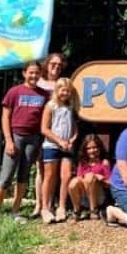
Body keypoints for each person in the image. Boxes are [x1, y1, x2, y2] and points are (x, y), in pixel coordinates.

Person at [0, 60, 48, 232]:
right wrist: (9, 140)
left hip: (33, 140)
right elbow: (5, 118)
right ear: (24, 73)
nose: (34, 76)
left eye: (37, 73)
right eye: (31, 72)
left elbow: (45, 120)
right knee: (5, 179)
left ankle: (15, 211)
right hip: (16, 138)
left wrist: (40, 142)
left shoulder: (44, 95)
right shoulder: (14, 92)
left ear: (40, 74)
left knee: (23, 178)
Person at [32, 52, 67, 218]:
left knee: (51, 170)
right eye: (54, 63)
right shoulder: (38, 82)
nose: (56, 67)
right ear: (47, 64)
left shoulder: (61, 83)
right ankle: (39, 204)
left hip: (56, 132)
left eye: (60, 65)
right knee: (40, 169)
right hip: (39, 129)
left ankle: (50, 203)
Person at [40, 77, 79, 223]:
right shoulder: (50, 106)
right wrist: (59, 141)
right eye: (63, 90)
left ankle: (61, 206)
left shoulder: (70, 107)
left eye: (68, 91)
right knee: (49, 176)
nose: (65, 93)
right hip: (52, 145)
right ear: (57, 91)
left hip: (67, 146)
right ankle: (45, 208)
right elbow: (44, 128)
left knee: (66, 175)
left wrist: (73, 139)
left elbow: (74, 126)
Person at [69, 134, 111, 220]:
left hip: (99, 196)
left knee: (90, 176)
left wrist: (100, 178)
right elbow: (79, 179)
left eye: (94, 147)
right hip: (84, 195)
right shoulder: (83, 163)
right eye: (89, 148)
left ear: (99, 148)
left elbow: (109, 184)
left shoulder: (104, 162)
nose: (92, 151)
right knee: (73, 182)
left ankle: (94, 210)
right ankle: (77, 210)